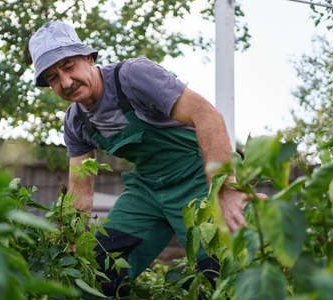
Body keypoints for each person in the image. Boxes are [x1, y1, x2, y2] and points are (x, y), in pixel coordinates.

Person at [29, 21, 251, 296]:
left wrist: (224, 189)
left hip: (196, 181)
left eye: (68, 67)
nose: (65, 82)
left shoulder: (132, 77)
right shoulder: (76, 122)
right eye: (52, 77)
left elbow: (207, 116)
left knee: (227, 276)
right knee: (96, 272)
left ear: (88, 58)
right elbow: (79, 191)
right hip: (147, 192)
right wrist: (71, 238)